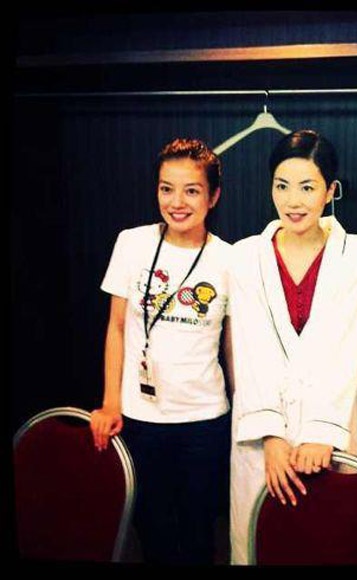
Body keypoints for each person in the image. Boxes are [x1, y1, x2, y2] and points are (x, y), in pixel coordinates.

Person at [228, 129, 357, 565]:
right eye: (282, 186)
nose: (293, 201)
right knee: (260, 541)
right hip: (262, 435)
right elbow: (250, 351)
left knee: (327, 542)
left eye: (308, 187)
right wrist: (272, 436)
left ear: (330, 191)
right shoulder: (245, 256)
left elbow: (351, 347)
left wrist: (320, 433)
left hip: (331, 429)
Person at [90, 138, 233, 565]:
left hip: (205, 420)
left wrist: (244, 410)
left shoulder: (230, 259)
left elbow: (232, 346)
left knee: (199, 533)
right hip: (141, 418)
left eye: (191, 190)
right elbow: (116, 327)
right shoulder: (131, 243)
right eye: (166, 188)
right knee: (151, 533)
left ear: (213, 196)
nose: (176, 202)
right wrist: (111, 402)